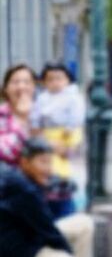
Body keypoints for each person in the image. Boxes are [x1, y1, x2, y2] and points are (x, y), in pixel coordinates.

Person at [33, 62, 85, 218]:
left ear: (67, 80)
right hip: (46, 135)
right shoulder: (42, 98)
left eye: (59, 78)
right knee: (47, 169)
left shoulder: (73, 97)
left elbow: (77, 118)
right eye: (50, 79)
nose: (55, 83)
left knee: (64, 172)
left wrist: (69, 134)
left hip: (66, 135)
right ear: (44, 82)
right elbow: (36, 118)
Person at [0, 64, 36, 167]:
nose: (21, 87)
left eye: (27, 82)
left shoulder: (44, 113)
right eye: (15, 82)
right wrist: (21, 119)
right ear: (6, 88)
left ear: (34, 87)